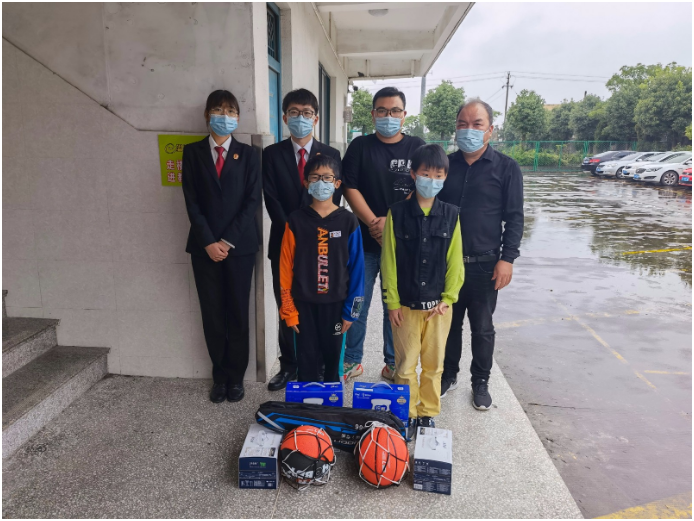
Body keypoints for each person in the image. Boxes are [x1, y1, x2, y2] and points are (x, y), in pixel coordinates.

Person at [437, 98, 524, 410]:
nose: (468, 130)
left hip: (485, 264)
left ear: (490, 130)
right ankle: (448, 374)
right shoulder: (445, 166)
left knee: (483, 328)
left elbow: (514, 218)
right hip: (446, 264)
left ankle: (481, 381)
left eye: (477, 124)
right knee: (449, 324)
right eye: (463, 124)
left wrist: (507, 259)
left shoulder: (507, 168)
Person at [182, 89, 262, 403]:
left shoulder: (250, 154)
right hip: (204, 249)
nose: (224, 116)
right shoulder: (192, 153)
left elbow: (252, 201)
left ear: (238, 118)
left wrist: (226, 241)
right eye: (218, 110)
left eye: (230, 111)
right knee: (213, 314)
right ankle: (219, 377)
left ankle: (236, 377)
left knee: (238, 312)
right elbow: (191, 201)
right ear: (207, 115)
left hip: (239, 248)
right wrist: (208, 242)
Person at [341, 87, 426, 382]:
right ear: (373, 114)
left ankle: (393, 362)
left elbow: (422, 187)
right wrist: (373, 223)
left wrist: (390, 222)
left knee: (396, 305)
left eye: (394, 111)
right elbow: (349, 186)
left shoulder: (417, 147)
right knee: (357, 301)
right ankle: (352, 360)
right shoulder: (360, 146)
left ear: (404, 115)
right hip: (364, 241)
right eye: (382, 111)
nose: (388, 116)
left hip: (401, 244)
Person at [381, 144, 464, 438]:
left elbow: (455, 261)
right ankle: (407, 414)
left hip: (438, 308)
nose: (432, 180)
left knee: (433, 365)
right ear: (414, 174)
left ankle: (427, 412)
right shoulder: (396, 213)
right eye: (426, 174)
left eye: (438, 175)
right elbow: (388, 260)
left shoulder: (451, 215)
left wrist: (448, 298)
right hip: (405, 306)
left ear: (445, 178)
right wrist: (392, 302)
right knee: (405, 366)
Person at [263, 88, 342, 391]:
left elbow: (332, 201)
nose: (301, 118)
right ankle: (288, 365)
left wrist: (312, 235)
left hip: (321, 246)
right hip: (283, 242)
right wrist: (294, 233)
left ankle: (318, 366)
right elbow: (271, 198)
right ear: (285, 118)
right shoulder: (272, 154)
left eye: (307, 113)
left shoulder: (331, 155)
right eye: (294, 112)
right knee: (286, 303)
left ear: (316, 119)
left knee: (319, 306)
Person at [278, 155, 365, 382]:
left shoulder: (349, 221)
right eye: (315, 178)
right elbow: (285, 267)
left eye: (327, 178)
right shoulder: (295, 220)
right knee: (305, 362)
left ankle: (331, 402)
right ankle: (307, 403)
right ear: (306, 183)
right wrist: (289, 310)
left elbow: (357, 269)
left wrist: (351, 311)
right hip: (302, 306)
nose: (321, 183)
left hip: (336, 306)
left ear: (337, 183)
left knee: (333, 364)